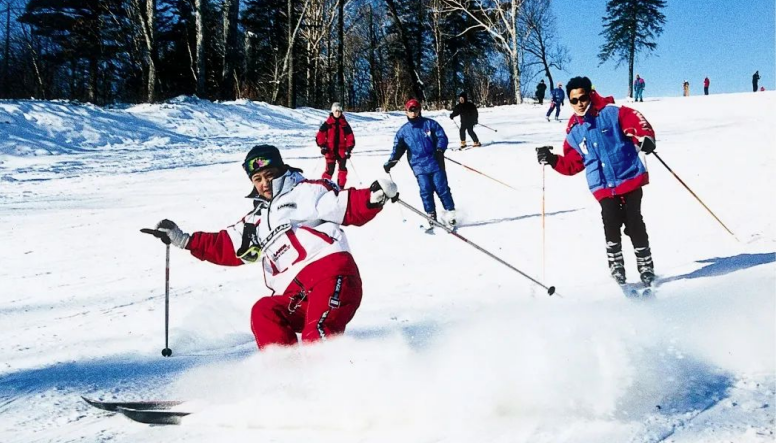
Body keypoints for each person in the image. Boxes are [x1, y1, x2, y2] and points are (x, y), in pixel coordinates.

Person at [150, 144, 399, 350]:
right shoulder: (255, 221)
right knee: (264, 311)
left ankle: (333, 392)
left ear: (281, 170)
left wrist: (372, 198)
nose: (264, 183)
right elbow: (225, 245)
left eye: (269, 175)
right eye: (257, 178)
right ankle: (285, 384)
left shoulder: (307, 191)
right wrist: (183, 240)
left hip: (330, 274)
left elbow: (345, 204)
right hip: (294, 295)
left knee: (317, 335)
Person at [536, 76, 657, 288]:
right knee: (610, 219)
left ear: (589, 95)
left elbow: (636, 121)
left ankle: (645, 263)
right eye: (574, 100)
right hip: (601, 185)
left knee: (633, 221)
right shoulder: (574, 132)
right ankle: (616, 262)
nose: (579, 103)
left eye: (583, 97)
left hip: (628, 176)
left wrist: (645, 137)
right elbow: (573, 164)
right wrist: (553, 159)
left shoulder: (611, 112)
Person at [384, 98, 456, 229]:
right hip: (418, 165)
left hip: (435, 161)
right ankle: (431, 214)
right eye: (410, 110)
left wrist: (440, 149)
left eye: (415, 110)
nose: (413, 113)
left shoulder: (430, 124)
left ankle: (450, 213)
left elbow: (442, 136)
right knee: (425, 189)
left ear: (419, 110)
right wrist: (390, 163)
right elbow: (398, 149)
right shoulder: (403, 131)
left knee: (442, 188)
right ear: (406, 112)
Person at [316, 102, 355, 188]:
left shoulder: (344, 124)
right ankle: (324, 186)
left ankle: (340, 187)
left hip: (342, 150)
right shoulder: (327, 123)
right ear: (333, 111)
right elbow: (320, 135)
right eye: (336, 111)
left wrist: (349, 149)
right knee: (329, 170)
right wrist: (323, 146)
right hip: (330, 150)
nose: (338, 113)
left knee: (342, 169)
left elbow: (350, 136)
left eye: (339, 111)